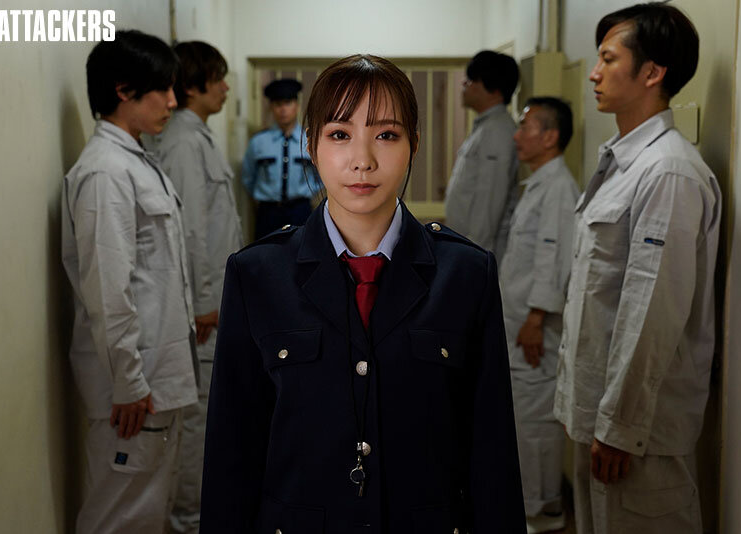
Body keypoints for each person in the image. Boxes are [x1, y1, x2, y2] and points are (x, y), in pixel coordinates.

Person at [200, 54, 526, 533]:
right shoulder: (257, 274)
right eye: (339, 134)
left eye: (387, 135)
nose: (362, 160)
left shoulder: (466, 273)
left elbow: (491, 449)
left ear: (414, 144)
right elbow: (232, 451)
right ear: (311, 145)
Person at [553, 4, 721, 533]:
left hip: (637, 434)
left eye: (608, 59)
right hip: (598, 417)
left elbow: (652, 311)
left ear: (652, 72)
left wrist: (621, 427)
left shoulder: (668, 171)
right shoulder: (623, 162)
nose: (594, 74)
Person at [61, 30, 198, 534]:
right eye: (163, 89)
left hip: (155, 382)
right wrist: (130, 382)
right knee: (119, 520)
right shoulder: (106, 173)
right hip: (134, 391)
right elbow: (108, 290)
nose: (173, 102)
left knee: (145, 513)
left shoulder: (136, 162)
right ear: (123, 90)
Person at [153, 40, 243, 534]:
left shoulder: (196, 136)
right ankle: (189, 519)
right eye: (218, 78)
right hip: (202, 312)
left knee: (210, 414)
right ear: (194, 85)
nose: (226, 87)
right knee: (198, 418)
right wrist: (206, 302)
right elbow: (190, 232)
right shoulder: (184, 143)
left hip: (214, 305)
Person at [500, 97, 579, 534]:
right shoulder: (539, 184)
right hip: (520, 322)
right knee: (524, 415)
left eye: (526, 127)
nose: (517, 136)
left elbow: (554, 259)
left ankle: (545, 510)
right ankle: (531, 503)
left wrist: (535, 319)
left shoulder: (560, 189)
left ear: (550, 136)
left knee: (535, 419)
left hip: (536, 326)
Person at [444, 50, 520, 262]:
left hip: (476, 250)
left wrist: (476, 255)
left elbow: (489, 201)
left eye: (471, 80)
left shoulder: (498, 132)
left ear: (493, 89)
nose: (464, 84)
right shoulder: (486, 127)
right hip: (466, 246)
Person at [241, 78, 321, 238]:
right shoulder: (259, 142)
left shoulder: (309, 140)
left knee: (302, 250)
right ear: (271, 107)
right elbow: (248, 177)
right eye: (278, 104)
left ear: (297, 105)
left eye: (288, 103)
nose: (283, 109)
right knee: (264, 251)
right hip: (268, 212)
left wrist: (309, 191)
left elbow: (322, 175)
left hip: (300, 210)